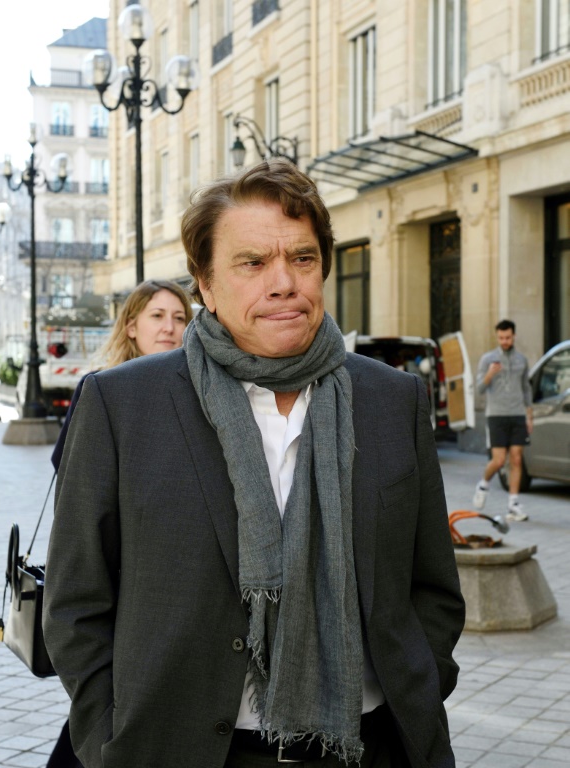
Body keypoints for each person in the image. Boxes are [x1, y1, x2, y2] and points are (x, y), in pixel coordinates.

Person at [44, 159, 465, 768]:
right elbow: (75, 600)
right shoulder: (121, 404)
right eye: (252, 262)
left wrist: (424, 681)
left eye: (302, 258)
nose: (284, 282)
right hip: (186, 751)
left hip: (369, 746)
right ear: (206, 286)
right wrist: (108, 737)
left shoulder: (392, 399)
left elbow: (433, 586)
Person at [46, 279, 192, 768]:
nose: (169, 327)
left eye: (179, 317)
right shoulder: (103, 388)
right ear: (131, 326)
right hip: (117, 574)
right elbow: (72, 481)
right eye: (157, 316)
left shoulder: (199, 390)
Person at [473, 319, 533, 522]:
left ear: (513, 336)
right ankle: (483, 484)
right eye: (501, 338)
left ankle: (513, 505)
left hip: (517, 414)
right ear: (497, 337)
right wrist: (490, 374)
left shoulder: (522, 360)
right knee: (499, 460)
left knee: (516, 459)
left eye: (507, 337)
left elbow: (526, 389)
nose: (504, 341)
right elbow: (480, 388)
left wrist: (529, 416)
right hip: (496, 415)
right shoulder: (487, 359)